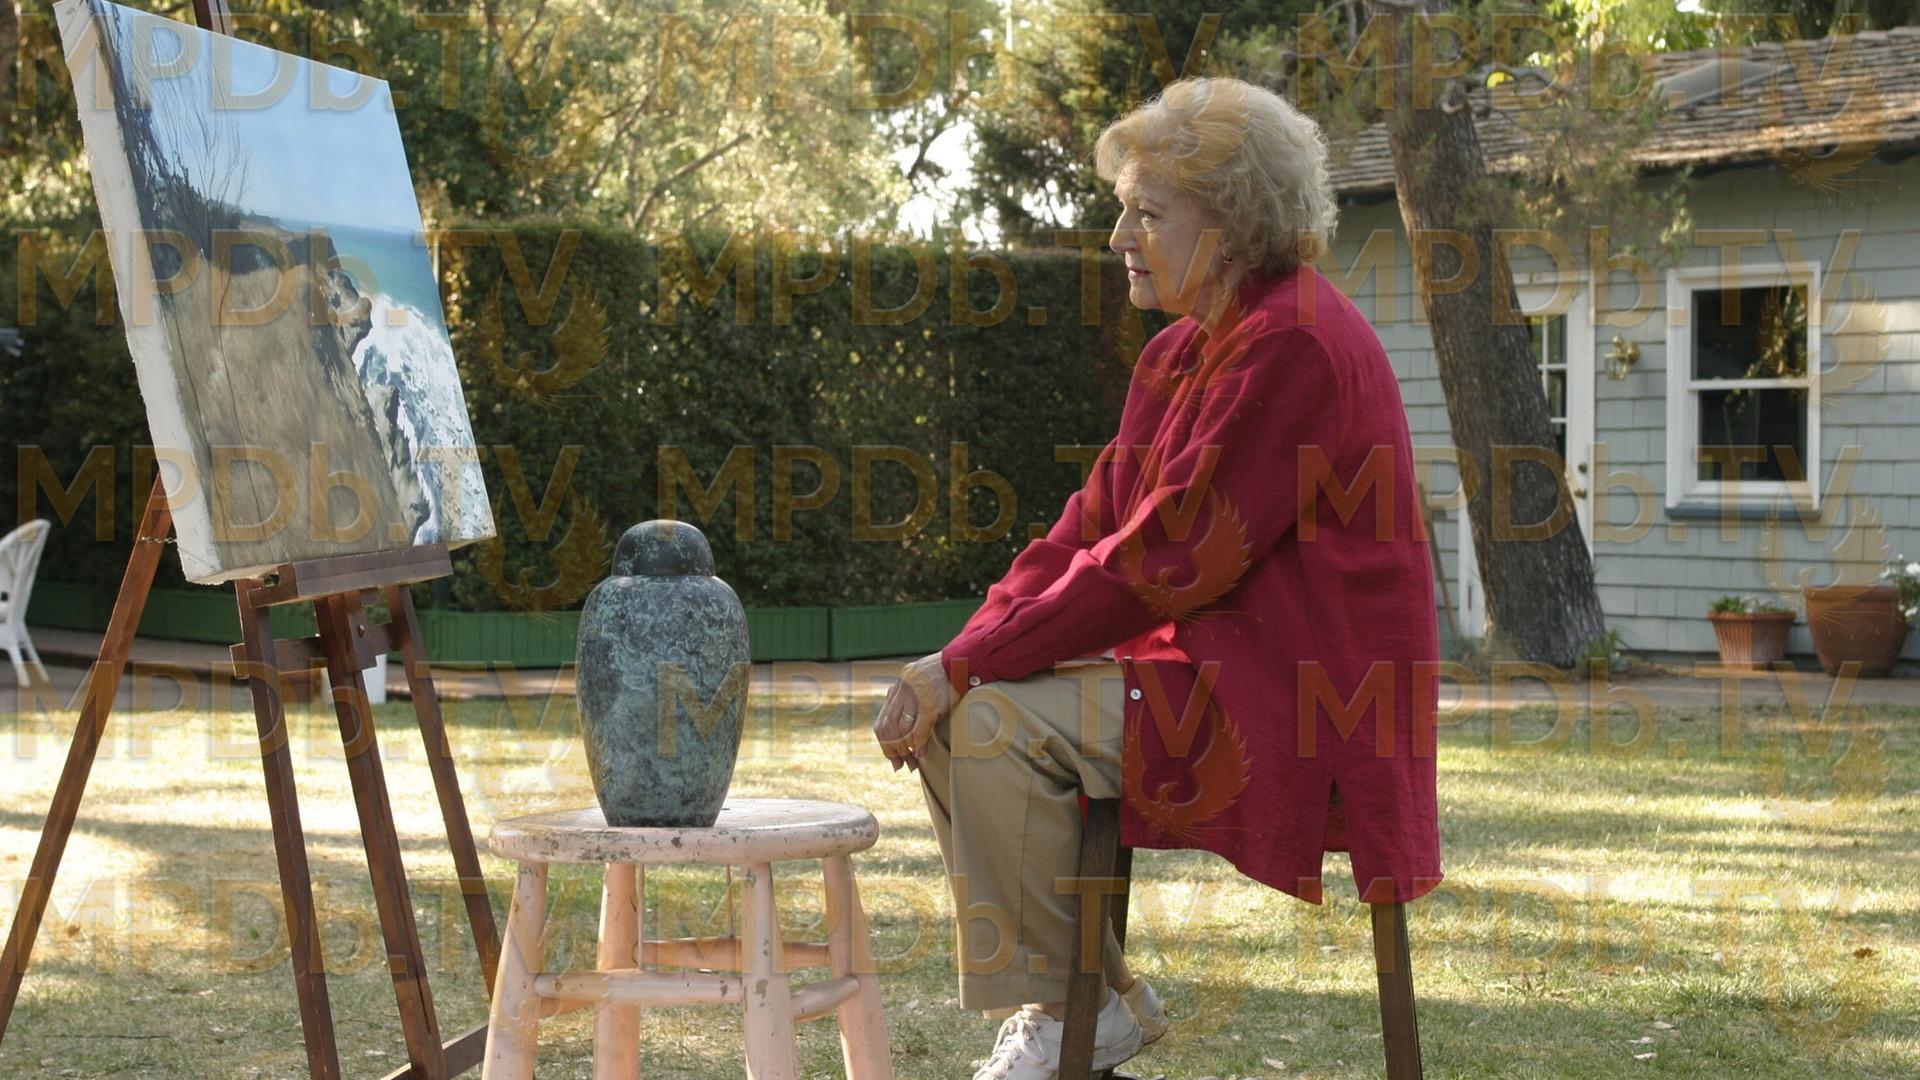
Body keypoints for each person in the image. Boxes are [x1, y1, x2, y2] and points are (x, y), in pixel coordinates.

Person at [872, 75, 1442, 1079]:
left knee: (988, 722)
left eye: (1146, 213)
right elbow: (1085, 532)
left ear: (1231, 223)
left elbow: (1159, 564)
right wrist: (955, 658)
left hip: (1304, 700)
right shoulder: (1184, 351)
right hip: (1209, 672)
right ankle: (1088, 1004)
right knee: (966, 713)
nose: (1117, 238)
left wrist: (963, 672)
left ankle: (1077, 1010)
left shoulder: (1293, 342)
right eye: (1121, 210)